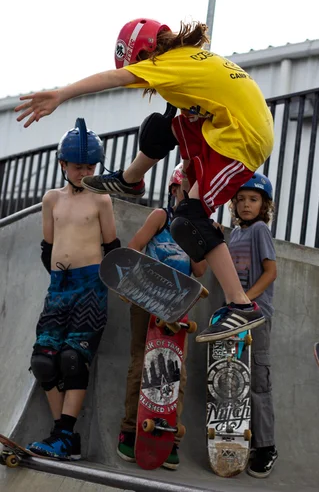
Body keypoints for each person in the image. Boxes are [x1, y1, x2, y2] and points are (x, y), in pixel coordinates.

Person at [15, 18, 274, 343]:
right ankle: (130, 179)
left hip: (240, 141)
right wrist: (189, 165)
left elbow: (113, 78)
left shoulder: (164, 63)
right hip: (220, 130)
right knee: (164, 124)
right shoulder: (187, 62)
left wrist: (62, 94)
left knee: (188, 220)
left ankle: (241, 304)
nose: (145, 84)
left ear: (143, 54)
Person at [26, 118, 120, 459]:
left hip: (91, 285)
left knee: (72, 359)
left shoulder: (101, 200)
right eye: (77, 166)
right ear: (62, 164)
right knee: (44, 361)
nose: (84, 172)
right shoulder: (51, 199)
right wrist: (57, 281)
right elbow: (47, 248)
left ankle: (65, 435)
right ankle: (62, 434)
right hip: (59, 287)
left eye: (89, 166)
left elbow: (112, 247)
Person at [117, 163, 207, 470]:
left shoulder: (198, 227)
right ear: (174, 190)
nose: (192, 201)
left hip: (178, 304)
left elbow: (199, 271)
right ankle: (130, 430)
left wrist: (201, 239)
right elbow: (134, 247)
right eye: (187, 194)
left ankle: (169, 437)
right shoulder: (161, 217)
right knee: (141, 361)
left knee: (173, 369)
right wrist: (131, 284)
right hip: (147, 299)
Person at [227, 172, 278, 478]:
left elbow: (271, 272)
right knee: (234, 378)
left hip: (256, 315)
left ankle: (266, 446)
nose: (246, 205)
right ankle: (239, 438)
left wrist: (245, 299)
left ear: (264, 205)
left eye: (254, 199)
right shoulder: (234, 235)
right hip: (234, 316)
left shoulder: (259, 230)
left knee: (258, 380)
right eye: (241, 199)